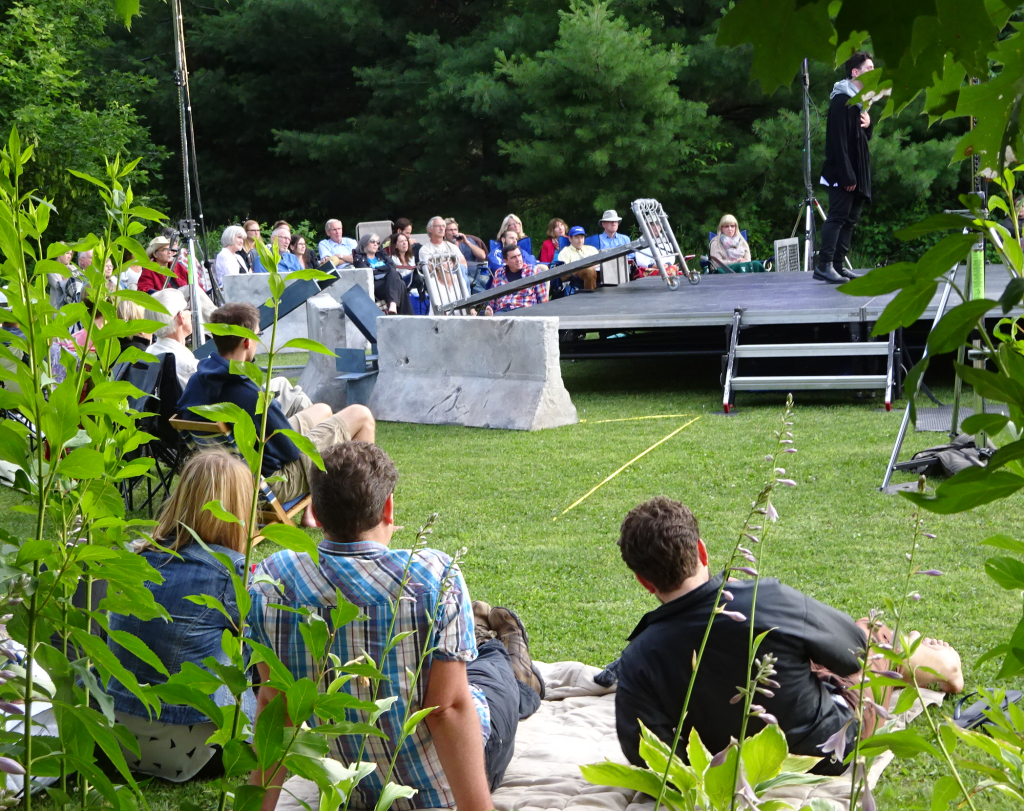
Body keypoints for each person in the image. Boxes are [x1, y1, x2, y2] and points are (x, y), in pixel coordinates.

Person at [247, 441, 543, 811]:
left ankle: (485, 637)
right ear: (388, 508)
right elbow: (448, 709)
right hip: (441, 787)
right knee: (495, 667)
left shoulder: (270, 582)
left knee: (473, 668)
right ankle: (505, 650)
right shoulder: (433, 575)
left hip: (353, 787)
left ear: (316, 515)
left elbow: (274, 705)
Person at [613, 497, 964, 775]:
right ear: (702, 551)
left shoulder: (636, 659)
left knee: (805, 655)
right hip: (827, 752)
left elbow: (644, 753)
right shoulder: (767, 599)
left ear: (644, 582)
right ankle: (944, 667)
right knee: (871, 635)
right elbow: (853, 650)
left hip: (724, 774)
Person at [106, 450, 257, 782]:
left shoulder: (132, 556)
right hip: (193, 750)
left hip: (113, 737)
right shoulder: (234, 574)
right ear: (239, 508)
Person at [177, 303, 375, 526]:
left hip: (232, 479)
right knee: (362, 415)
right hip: (271, 482)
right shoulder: (246, 392)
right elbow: (289, 450)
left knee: (323, 410)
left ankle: (313, 510)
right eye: (259, 333)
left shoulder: (198, 380)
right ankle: (368, 518)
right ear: (247, 341)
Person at [817, 51, 875, 284]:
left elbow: (860, 138)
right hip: (842, 173)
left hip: (856, 172)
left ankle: (839, 265)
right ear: (855, 72)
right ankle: (824, 265)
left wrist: (869, 125)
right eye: (869, 68)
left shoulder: (859, 102)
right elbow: (837, 142)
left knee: (850, 219)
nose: (873, 72)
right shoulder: (842, 101)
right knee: (838, 217)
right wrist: (847, 175)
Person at [138, 236, 216, 321]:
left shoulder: (177, 266)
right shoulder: (149, 270)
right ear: (155, 254)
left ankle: (213, 321)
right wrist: (166, 294)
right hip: (166, 303)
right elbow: (144, 292)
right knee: (193, 290)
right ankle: (217, 318)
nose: (169, 252)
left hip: (183, 300)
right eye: (164, 250)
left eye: (169, 249)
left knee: (195, 291)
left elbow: (190, 280)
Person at [145, 289, 197, 390]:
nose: (190, 313)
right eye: (187, 309)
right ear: (180, 317)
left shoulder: (149, 352)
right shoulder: (188, 365)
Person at [352, 233, 412, 315]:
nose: (375, 244)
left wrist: (377, 270)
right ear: (365, 243)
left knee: (398, 280)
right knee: (398, 281)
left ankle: (393, 307)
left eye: (378, 242)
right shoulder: (359, 258)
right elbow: (367, 273)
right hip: (375, 285)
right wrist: (384, 270)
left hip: (389, 284)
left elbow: (392, 266)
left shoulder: (381, 254)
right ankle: (406, 315)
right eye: (372, 241)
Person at [492, 244, 548, 313]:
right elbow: (493, 300)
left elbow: (542, 299)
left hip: (525, 310)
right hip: (503, 311)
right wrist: (491, 312)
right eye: (513, 257)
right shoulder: (499, 273)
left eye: (519, 255)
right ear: (506, 261)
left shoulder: (533, 271)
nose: (518, 259)